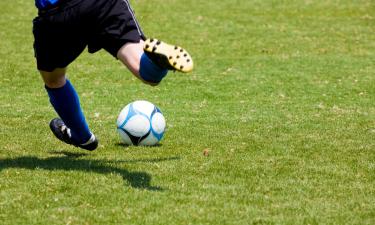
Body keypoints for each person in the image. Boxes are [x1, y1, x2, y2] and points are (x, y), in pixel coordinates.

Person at [33, 0, 194, 151]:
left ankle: (81, 136)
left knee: (54, 79)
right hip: (104, 4)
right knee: (143, 70)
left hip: (58, 14)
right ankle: (157, 63)